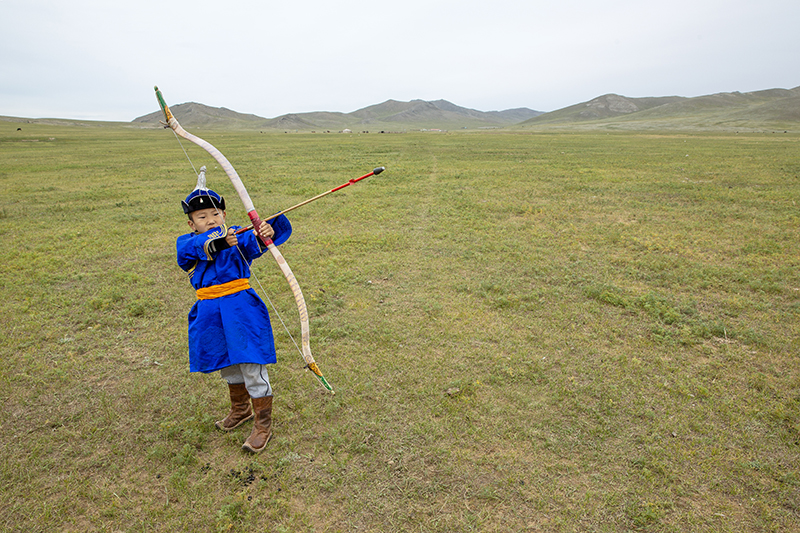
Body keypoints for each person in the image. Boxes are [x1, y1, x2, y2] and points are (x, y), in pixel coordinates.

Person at [176, 169, 292, 453]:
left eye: (215, 214)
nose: (210, 220)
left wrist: (266, 230)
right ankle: (240, 410)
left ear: (225, 215)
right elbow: (195, 249)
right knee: (227, 364)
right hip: (210, 312)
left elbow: (257, 240)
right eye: (201, 217)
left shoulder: (237, 237)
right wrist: (219, 240)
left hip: (241, 309)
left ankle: (263, 425)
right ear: (191, 223)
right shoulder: (187, 243)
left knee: (251, 362)